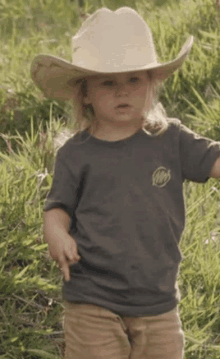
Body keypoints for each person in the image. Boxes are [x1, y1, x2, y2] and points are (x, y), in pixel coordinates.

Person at [30, 6, 220, 359]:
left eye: (134, 79)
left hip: (158, 299)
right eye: (108, 82)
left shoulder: (171, 139)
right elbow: (57, 208)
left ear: (151, 83)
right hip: (92, 297)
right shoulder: (75, 154)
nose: (123, 91)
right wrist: (56, 234)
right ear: (84, 92)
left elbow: (213, 160)